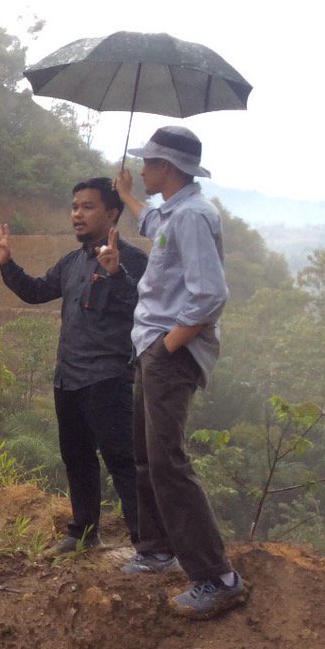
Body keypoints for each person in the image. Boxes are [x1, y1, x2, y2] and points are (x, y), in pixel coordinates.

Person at [115, 126, 247, 619]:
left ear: (166, 167)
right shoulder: (174, 210)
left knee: (167, 459)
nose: (142, 169)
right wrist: (127, 195)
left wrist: (170, 343)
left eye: (146, 164)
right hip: (152, 345)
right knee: (147, 455)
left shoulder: (193, 216)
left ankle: (216, 577)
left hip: (169, 350)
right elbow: (151, 223)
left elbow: (210, 294)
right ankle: (156, 549)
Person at [0, 179, 148, 550]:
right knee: (76, 457)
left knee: (122, 460)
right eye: (75, 206)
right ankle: (83, 532)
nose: (77, 214)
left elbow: (143, 309)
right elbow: (36, 291)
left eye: (87, 207)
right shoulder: (73, 262)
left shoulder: (134, 260)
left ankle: (148, 542)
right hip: (69, 377)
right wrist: (7, 264)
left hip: (108, 377)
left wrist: (116, 274)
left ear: (112, 214)